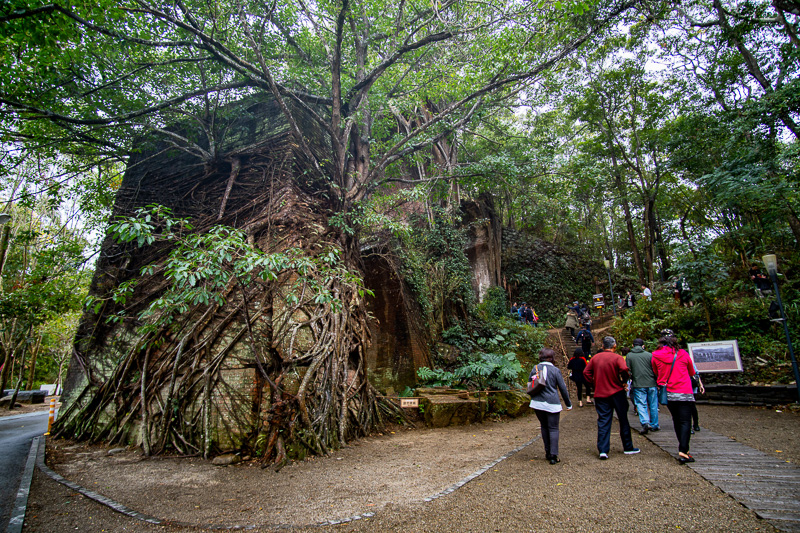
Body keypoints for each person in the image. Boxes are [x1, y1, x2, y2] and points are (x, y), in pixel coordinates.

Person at [583, 336, 640, 460]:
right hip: (617, 392)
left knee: (603, 420)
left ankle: (603, 450)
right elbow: (624, 369)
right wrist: (624, 380)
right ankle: (628, 447)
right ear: (614, 346)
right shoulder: (617, 357)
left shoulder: (595, 358)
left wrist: (593, 384)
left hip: (600, 393)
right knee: (623, 419)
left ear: (602, 346)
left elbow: (586, 372)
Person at [652, 329, 697, 464]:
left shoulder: (656, 355)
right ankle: (684, 450)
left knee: (676, 420)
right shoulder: (682, 354)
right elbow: (691, 371)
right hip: (684, 391)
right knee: (685, 421)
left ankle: (683, 448)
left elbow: (656, 372)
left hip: (668, 392)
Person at [528, 348, 572, 464]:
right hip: (552, 403)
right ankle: (553, 455)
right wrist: (568, 403)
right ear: (552, 358)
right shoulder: (555, 370)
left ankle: (547, 452)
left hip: (538, 403)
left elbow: (530, 383)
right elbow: (562, 388)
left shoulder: (535, 368)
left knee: (544, 426)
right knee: (553, 428)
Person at [627, 338, 659, 435]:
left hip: (638, 383)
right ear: (643, 346)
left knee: (641, 403)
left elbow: (628, 370)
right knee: (653, 404)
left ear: (633, 346)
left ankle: (645, 422)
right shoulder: (649, 355)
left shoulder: (629, 356)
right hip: (651, 382)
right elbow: (655, 369)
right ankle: (654, 424)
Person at [690, 361, 704, 434]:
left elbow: (696, 374)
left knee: (690, 407)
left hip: (688, 387)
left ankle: (694, 424)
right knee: (692, 407)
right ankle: (695, 425)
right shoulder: (689, 360)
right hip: (690, 387)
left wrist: (700, 385)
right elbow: (696, 374)